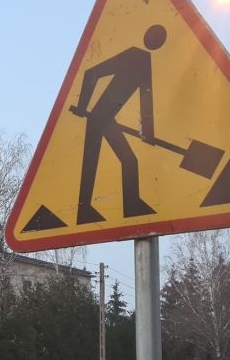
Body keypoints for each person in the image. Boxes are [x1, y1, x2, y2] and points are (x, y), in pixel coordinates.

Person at [69, 25, 167, 224]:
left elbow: (145, 102)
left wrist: (147, 134)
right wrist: (82, 106)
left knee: (129, 161)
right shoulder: (134, 56)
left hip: (107, 119)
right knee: (91, 162)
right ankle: (85, 209)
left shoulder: (144, 61)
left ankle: (131, 205)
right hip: (98, 118)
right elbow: (92, 72)